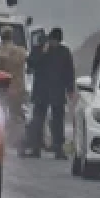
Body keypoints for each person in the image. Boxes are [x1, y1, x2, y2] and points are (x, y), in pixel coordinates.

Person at [26, 27, 75, 159]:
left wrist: (70, 89)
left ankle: (58, 148)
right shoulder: (40, 48)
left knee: (58, 121)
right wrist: (42, 52)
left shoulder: (64, 52)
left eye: (57, 41)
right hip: (41, 90)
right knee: (38, 120)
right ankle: (35, 148)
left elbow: (69, 71)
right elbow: (31, 64)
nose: (55, 43)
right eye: (53, 40)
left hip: (57, 90)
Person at [0, 28, 29, 145]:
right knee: (16, 115)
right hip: (18, 88)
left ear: (1, 37)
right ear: (12, 37)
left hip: (2, 89)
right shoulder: (22, 52)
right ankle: (16, 140)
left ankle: (0, 139)